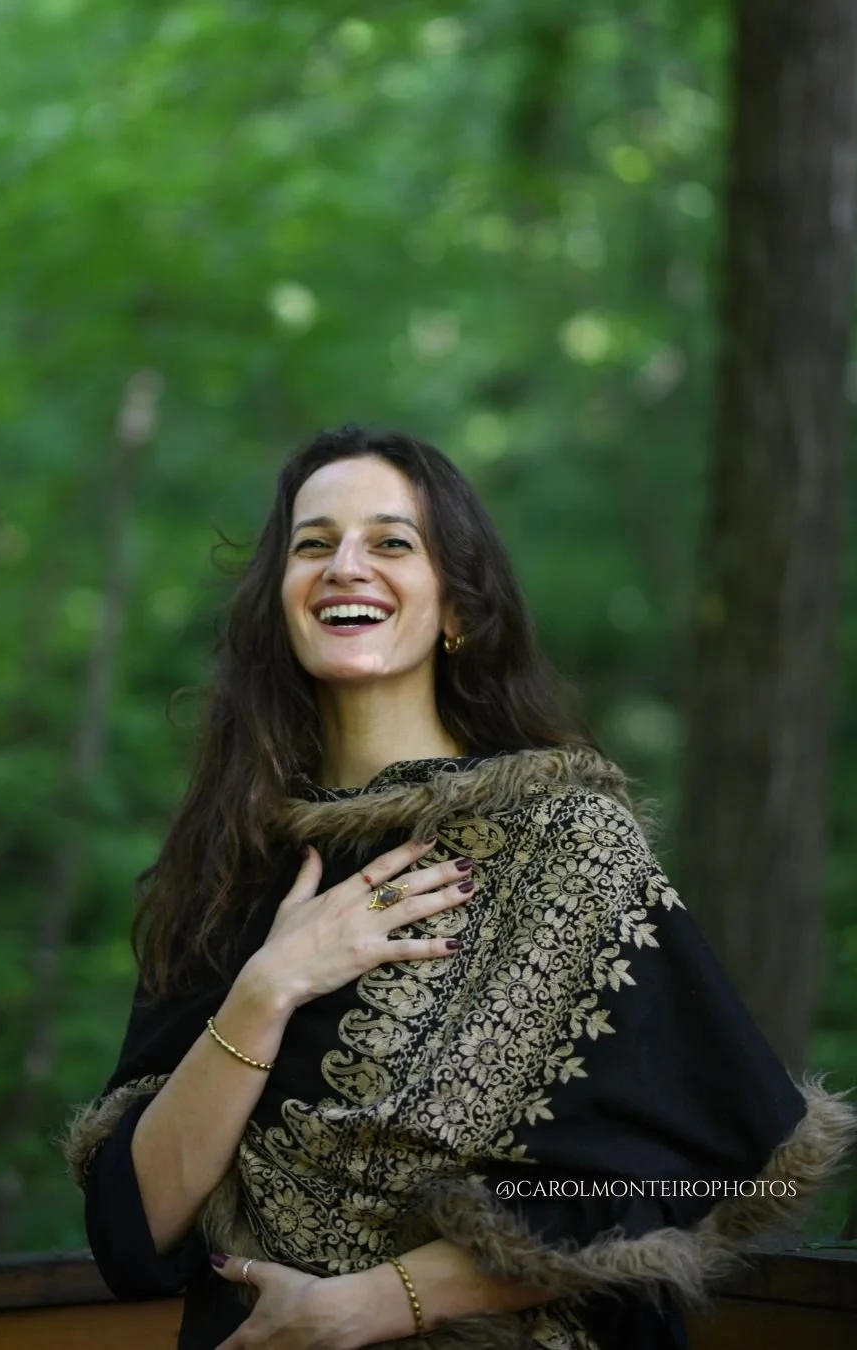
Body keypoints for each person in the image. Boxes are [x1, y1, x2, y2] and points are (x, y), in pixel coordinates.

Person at [64, 426, 855, 1350]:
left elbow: (692, 1172)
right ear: (280, 601)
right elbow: (132, 1237)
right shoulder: (229, 865)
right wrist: (267, 989)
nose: (345, 566)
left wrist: (375, 1301)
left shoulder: (566, 843)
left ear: (459, 610)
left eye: (391, 542)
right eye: (313, 545)